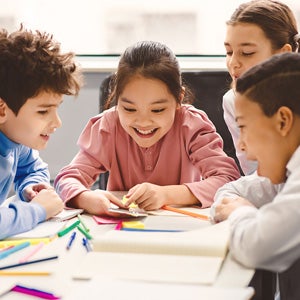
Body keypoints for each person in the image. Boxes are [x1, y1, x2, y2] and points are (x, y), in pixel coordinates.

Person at [54, 40, 240, 216]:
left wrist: (166, 195)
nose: (143, 122)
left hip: (181, 230)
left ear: (178, 99)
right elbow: (67, 179)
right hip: (122, 231)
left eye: (157, 110)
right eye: (129, 108)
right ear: (116, 97)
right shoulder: (108, 127)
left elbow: (227, 179)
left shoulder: (191, 126)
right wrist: (86, 198)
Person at [211, 52, 300, 300]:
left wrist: (241, 213)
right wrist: (238, 208)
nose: (241, 146)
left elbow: (256, 247)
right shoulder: (288, 175)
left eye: (244, 127)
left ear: (283, 121)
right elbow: (230, 195)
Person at [0, 25, 83, 239]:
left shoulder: (15, 142)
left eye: (56, 108)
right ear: (2, 110)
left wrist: (32, 186)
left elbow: (31, 169)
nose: (57, 122)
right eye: (44, 111)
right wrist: (38, 210)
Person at [223, 0, 300, 175]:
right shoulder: (233, 101)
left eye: (247, 53)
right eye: (229, 52)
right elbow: (256, 174)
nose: (233, 63)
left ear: (283, 54)